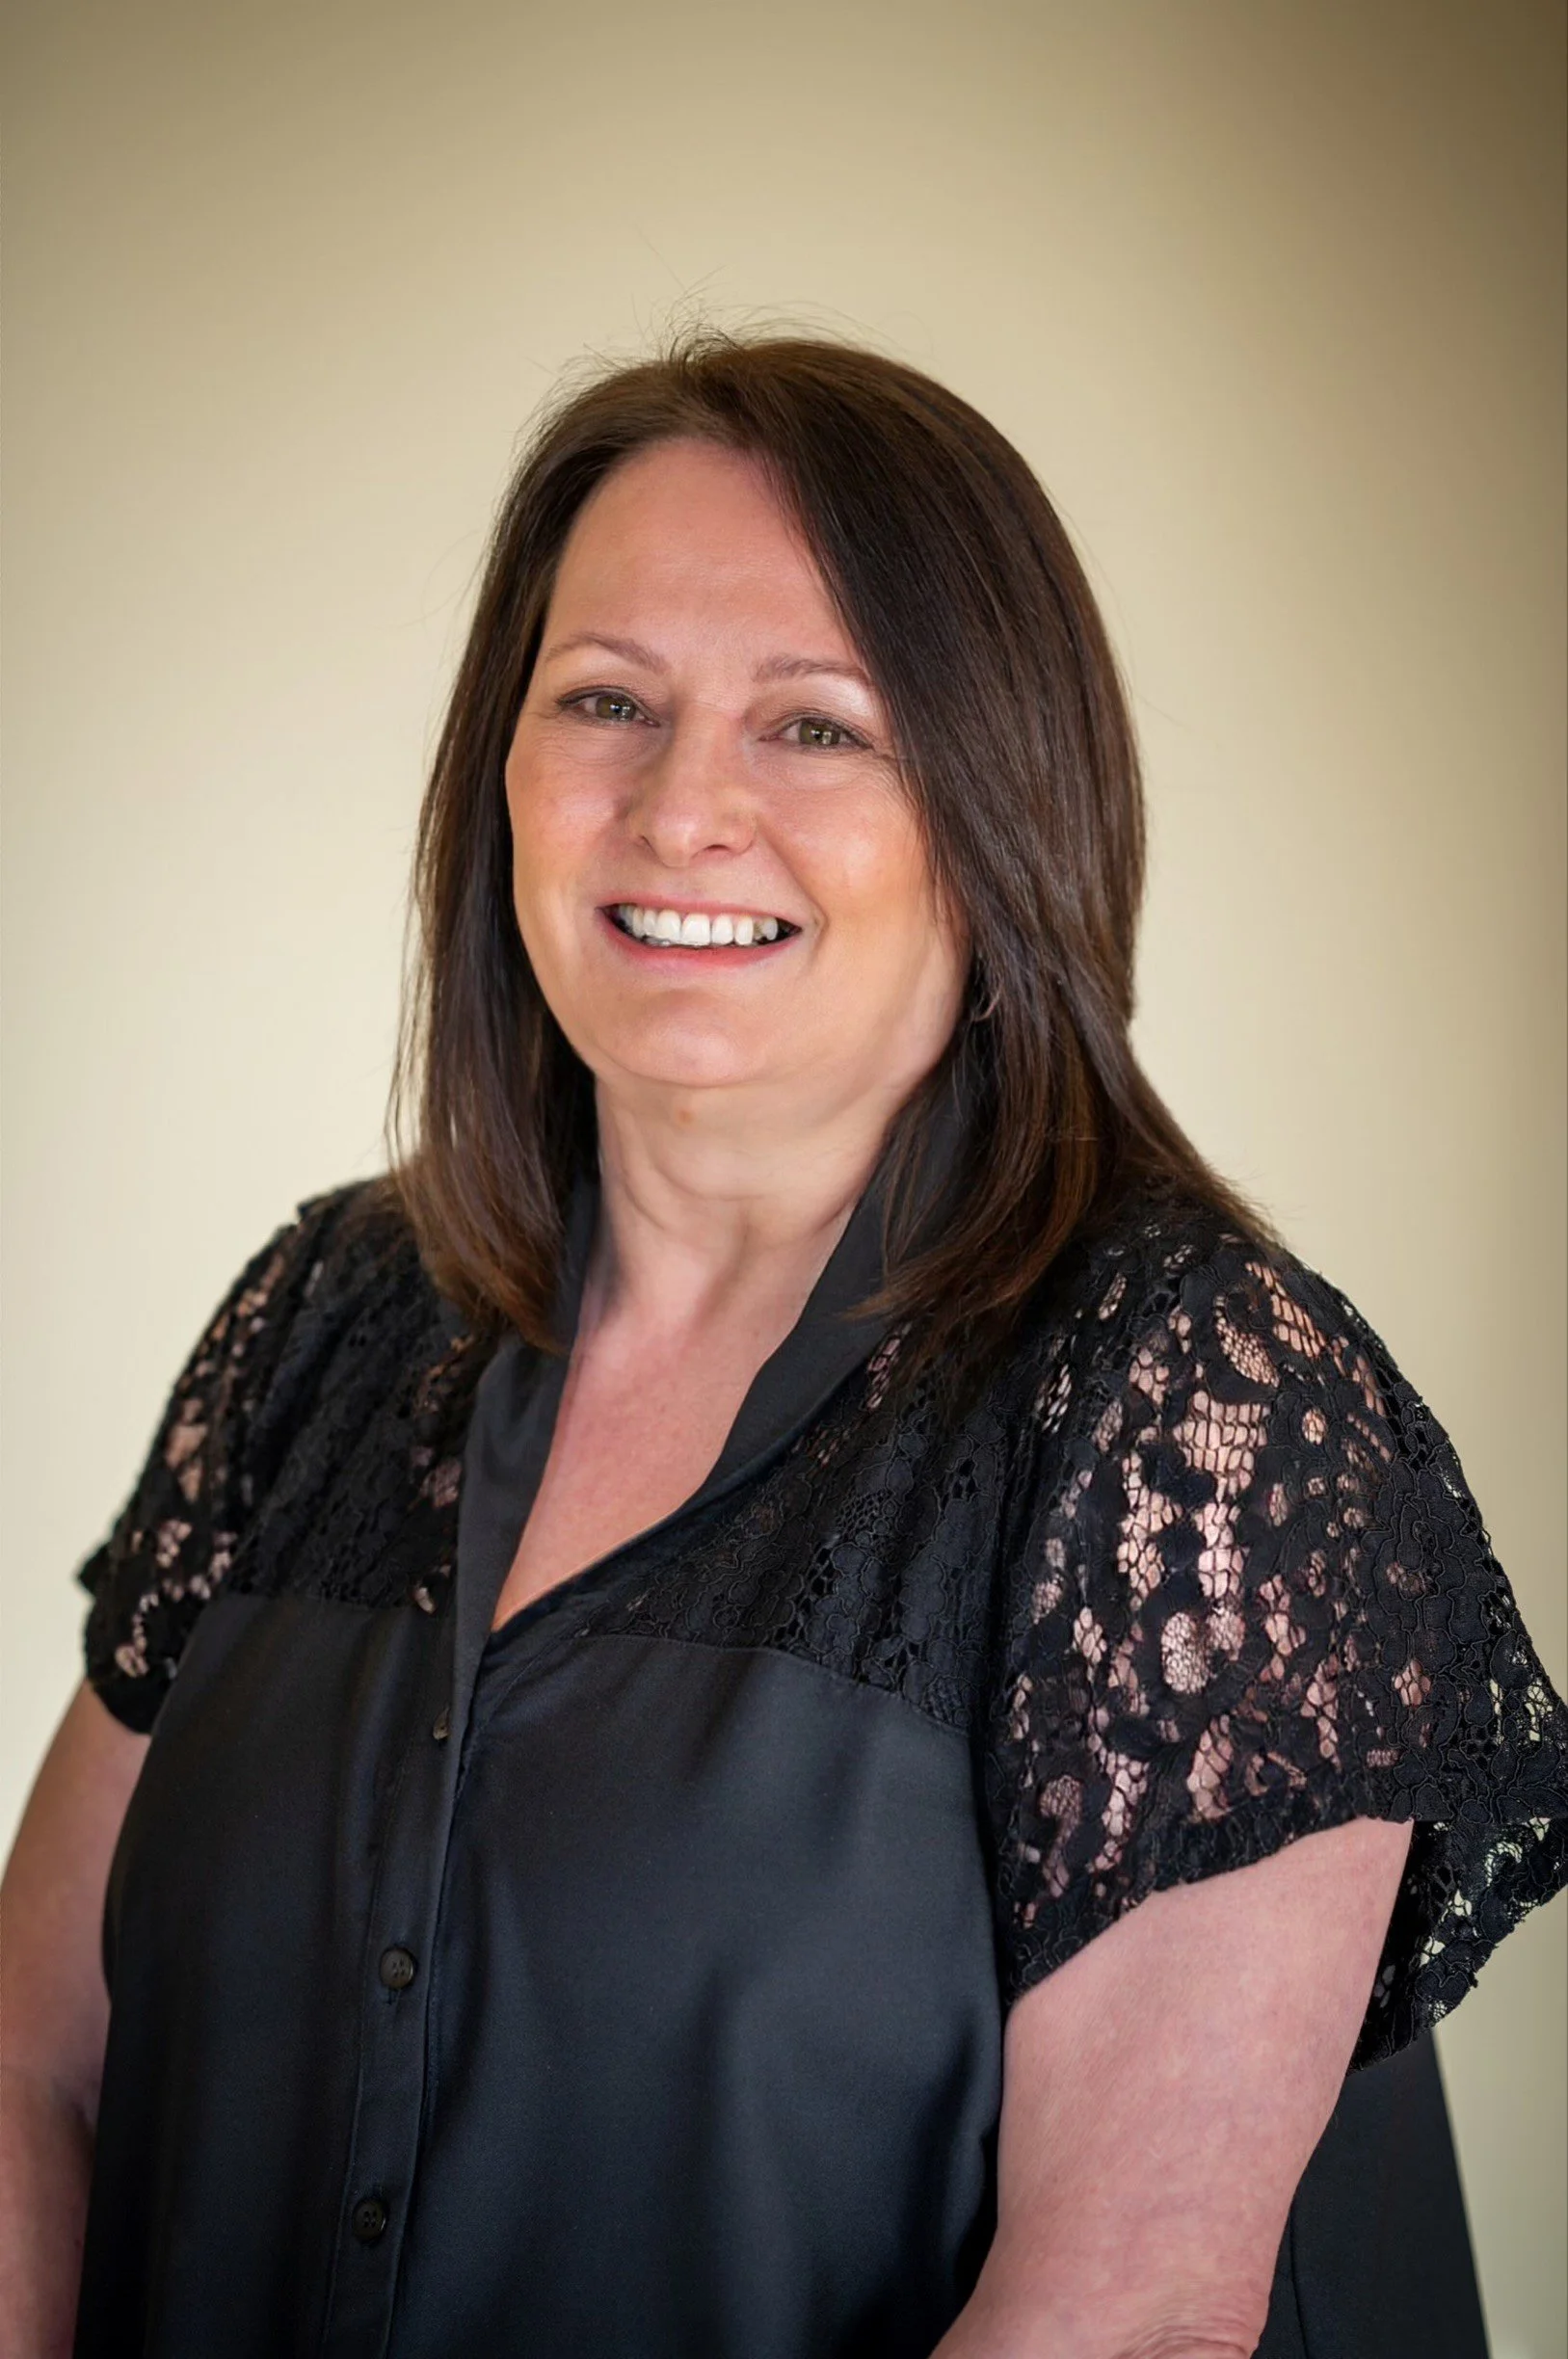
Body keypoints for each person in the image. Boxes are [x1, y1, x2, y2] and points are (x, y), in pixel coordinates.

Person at [3, 332, 1565, 2359]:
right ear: (504, 766)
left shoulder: (1195, 1417)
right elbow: (32, 2067)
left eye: (815, 728)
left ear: (998, 805)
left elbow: (1140, 2310)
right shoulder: (322, 1319)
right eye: (604, 702)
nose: (683, 808)